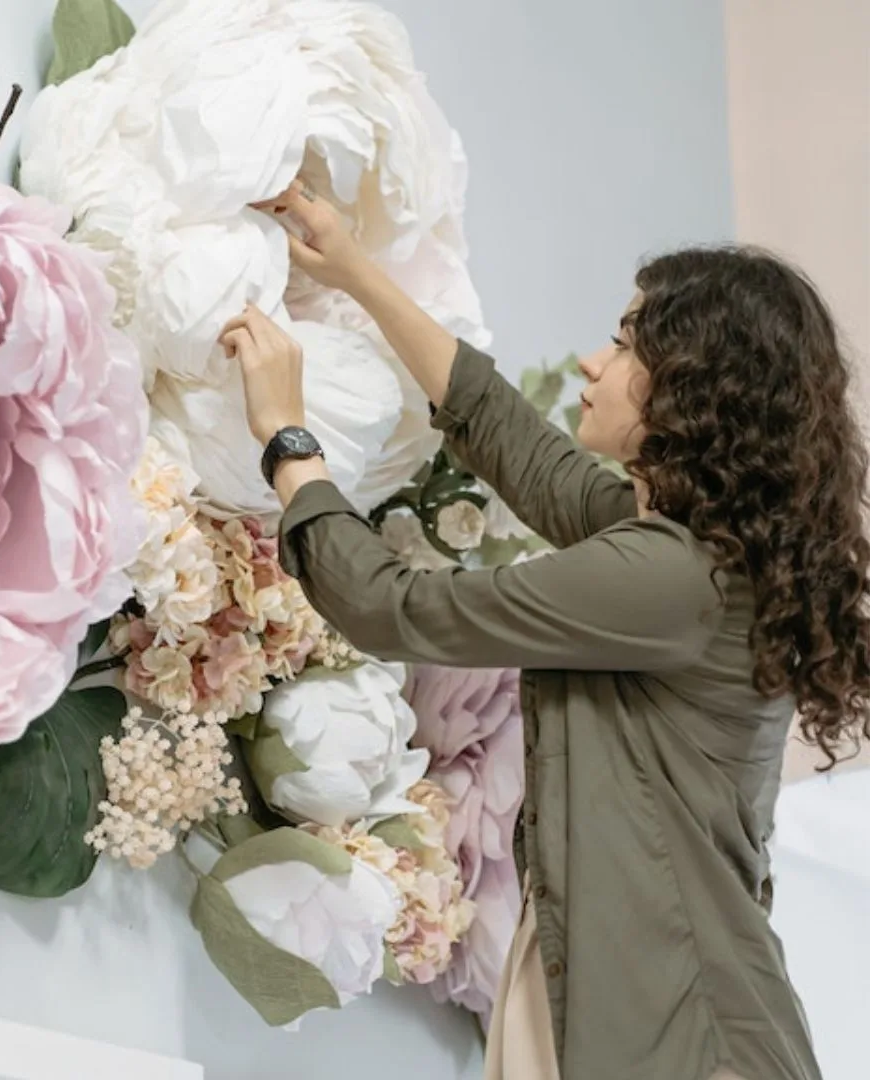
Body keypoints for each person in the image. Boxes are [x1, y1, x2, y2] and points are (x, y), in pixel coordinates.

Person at [219, 180, 870, 1080]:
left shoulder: (673, 581)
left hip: (685, 1039)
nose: (594, 365)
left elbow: (395, 608)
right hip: (622, 1006)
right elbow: (516, 443)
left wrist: (288, 439)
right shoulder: (682, 559)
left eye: (625, 344)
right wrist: (357, 270)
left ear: (690, 393)